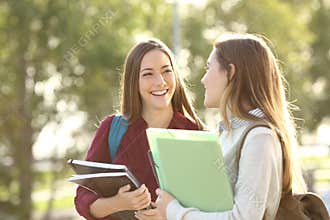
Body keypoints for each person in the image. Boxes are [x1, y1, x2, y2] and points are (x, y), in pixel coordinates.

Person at [136, 33, 307, 220]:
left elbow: (243, 218)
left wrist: (174, 212)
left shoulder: (260, 138)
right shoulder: (230, 133)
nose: (203, 79)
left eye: (209, 68)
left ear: (231, 73)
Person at [74, 38, 204, 220]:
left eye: (167, 71)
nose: (160, 82)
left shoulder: (196, 134)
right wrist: (118, 203)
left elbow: (211, 207)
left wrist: (170, 215)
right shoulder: (112, 129)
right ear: (133, 82)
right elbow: (83, 199)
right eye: (148, 74)